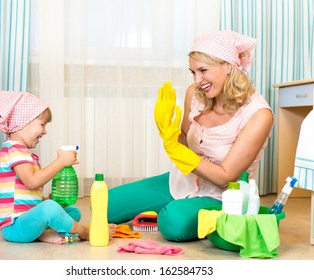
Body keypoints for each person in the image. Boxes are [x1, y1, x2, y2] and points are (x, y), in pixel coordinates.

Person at [107, 30, 274, 242]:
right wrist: (168, 131)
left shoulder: (258, 114)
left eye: (203, 70)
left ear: (229, 66)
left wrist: (177, 151)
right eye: (193, 72)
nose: (197, 80)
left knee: (173, 223)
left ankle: (189, 212)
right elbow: (185, 140)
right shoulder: (195, 94)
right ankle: (178, 207)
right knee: (104, 204)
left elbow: (226, 177)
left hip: (224, 196)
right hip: (182, 182)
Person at [0, 91, 116, 244]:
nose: (45, 131)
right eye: (42, 124)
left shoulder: (22, 152)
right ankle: (85, 232)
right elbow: (32, 182)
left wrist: (46, 199)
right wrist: (60, 162)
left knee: (71, 212)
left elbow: (26, 193)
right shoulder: (14, 149)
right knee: (51, 209)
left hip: (26, 221)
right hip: (14, 226)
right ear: (22, 123)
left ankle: (42, 234)